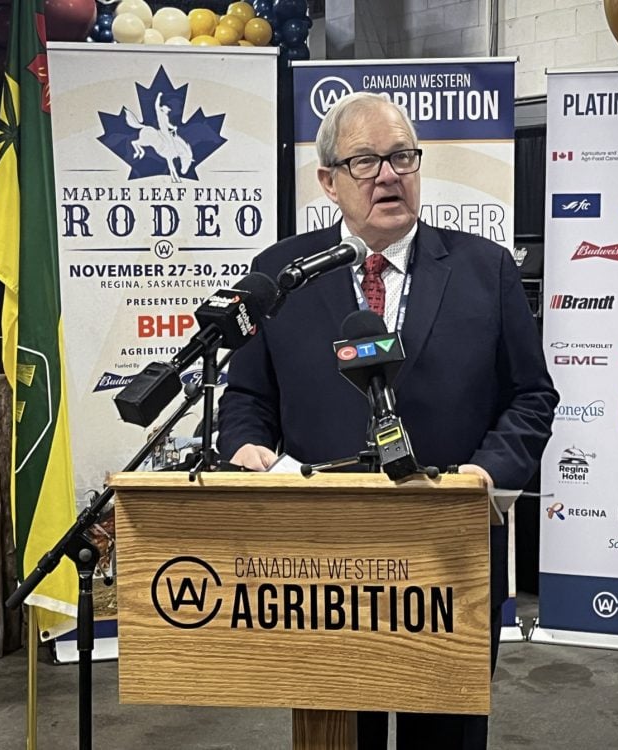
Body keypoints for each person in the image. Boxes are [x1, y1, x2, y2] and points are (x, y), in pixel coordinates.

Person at [217, 92, 558, 750]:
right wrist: (247, 447)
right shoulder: (279, 274)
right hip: (321, 560)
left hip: (449, 552)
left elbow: (531, 395)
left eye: (402, 157)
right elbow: (247, 395)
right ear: (328, 181)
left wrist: (487, 473)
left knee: (446, 737)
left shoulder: (485, 270)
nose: (389, 175)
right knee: (341, 733)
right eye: (367, 160)